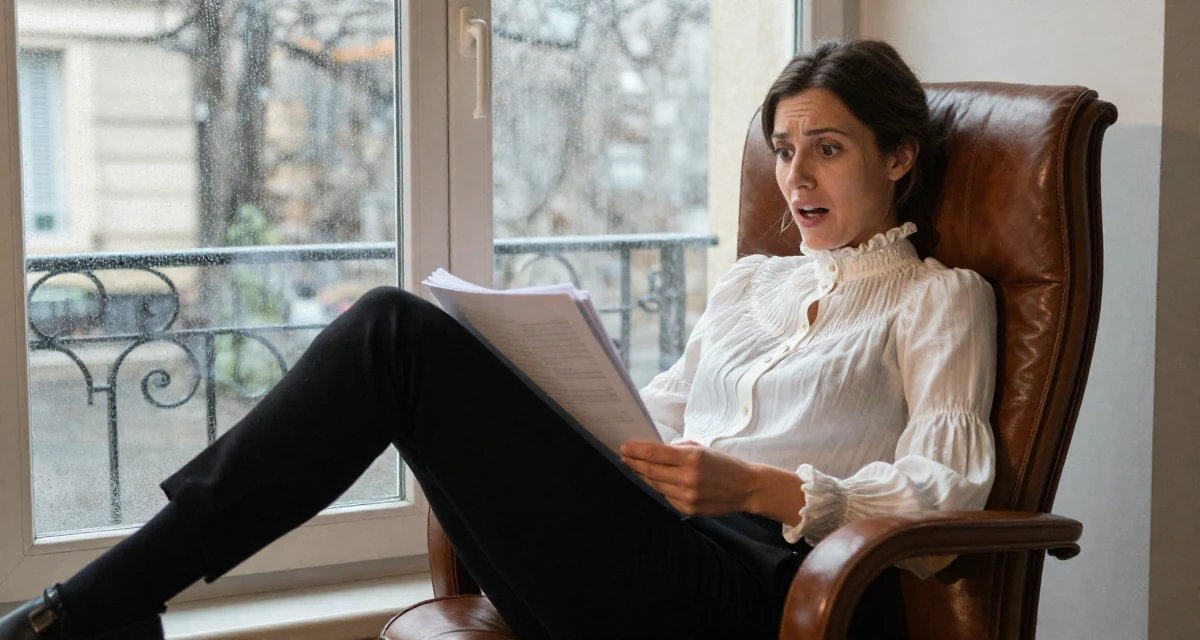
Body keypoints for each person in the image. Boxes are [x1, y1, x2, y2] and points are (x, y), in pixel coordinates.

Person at [0, 38, 996, 640]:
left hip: (746, 593)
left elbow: (947, 489)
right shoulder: (750, 284)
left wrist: (757, 488)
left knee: (395, 331)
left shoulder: (938, 300)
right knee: (407, 341)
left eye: (827, 149)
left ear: (900, 155)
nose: (796, 180)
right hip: (641, 549)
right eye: (783, 151)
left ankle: (95, 608)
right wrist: (546, 392)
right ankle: (107, 607)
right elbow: (655, 412)